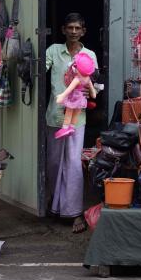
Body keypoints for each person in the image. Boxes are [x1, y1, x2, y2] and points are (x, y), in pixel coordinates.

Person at [44, 13, 98, 233]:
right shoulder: (53, 51)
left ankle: (74, 213)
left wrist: (90, 89)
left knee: (74, 164)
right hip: (55, 116)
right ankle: (53, 207)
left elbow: (92, 82)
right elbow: (39, 70)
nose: (74, 31)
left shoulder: (89, 54)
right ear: (63, 30)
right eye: (70, 28)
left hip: (78, 118)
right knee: (54, 163)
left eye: (78, 28)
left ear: (83, 31)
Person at [54, 52, 98, 138]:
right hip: (81, 99)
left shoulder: (77, 79)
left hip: (74, 97)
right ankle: (72, 127)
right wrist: (93, 94)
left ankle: (65, 127)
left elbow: (69, 89)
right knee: (76, 113)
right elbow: (92, 90)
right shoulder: (87, 79)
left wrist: (62, 96)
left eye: (75, 66)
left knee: (69, 112)